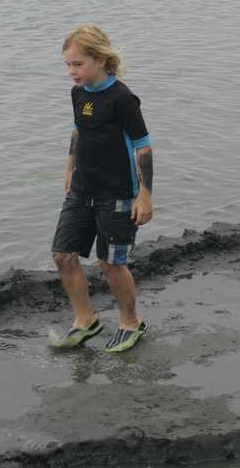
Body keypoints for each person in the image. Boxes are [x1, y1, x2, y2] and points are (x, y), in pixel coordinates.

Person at [51, 25, 153, 353]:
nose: (71, 71)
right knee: (63, 255)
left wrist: (145, 195)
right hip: (82, 188)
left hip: (118, 193)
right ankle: (85, 320)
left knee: (110, 263)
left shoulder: (123, 99)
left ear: (100, 60)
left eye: (77, 64)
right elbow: (78, 130)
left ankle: (131, 323)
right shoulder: (78, 93)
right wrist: (69, 168)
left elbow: (143, 146)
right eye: (67, 65)